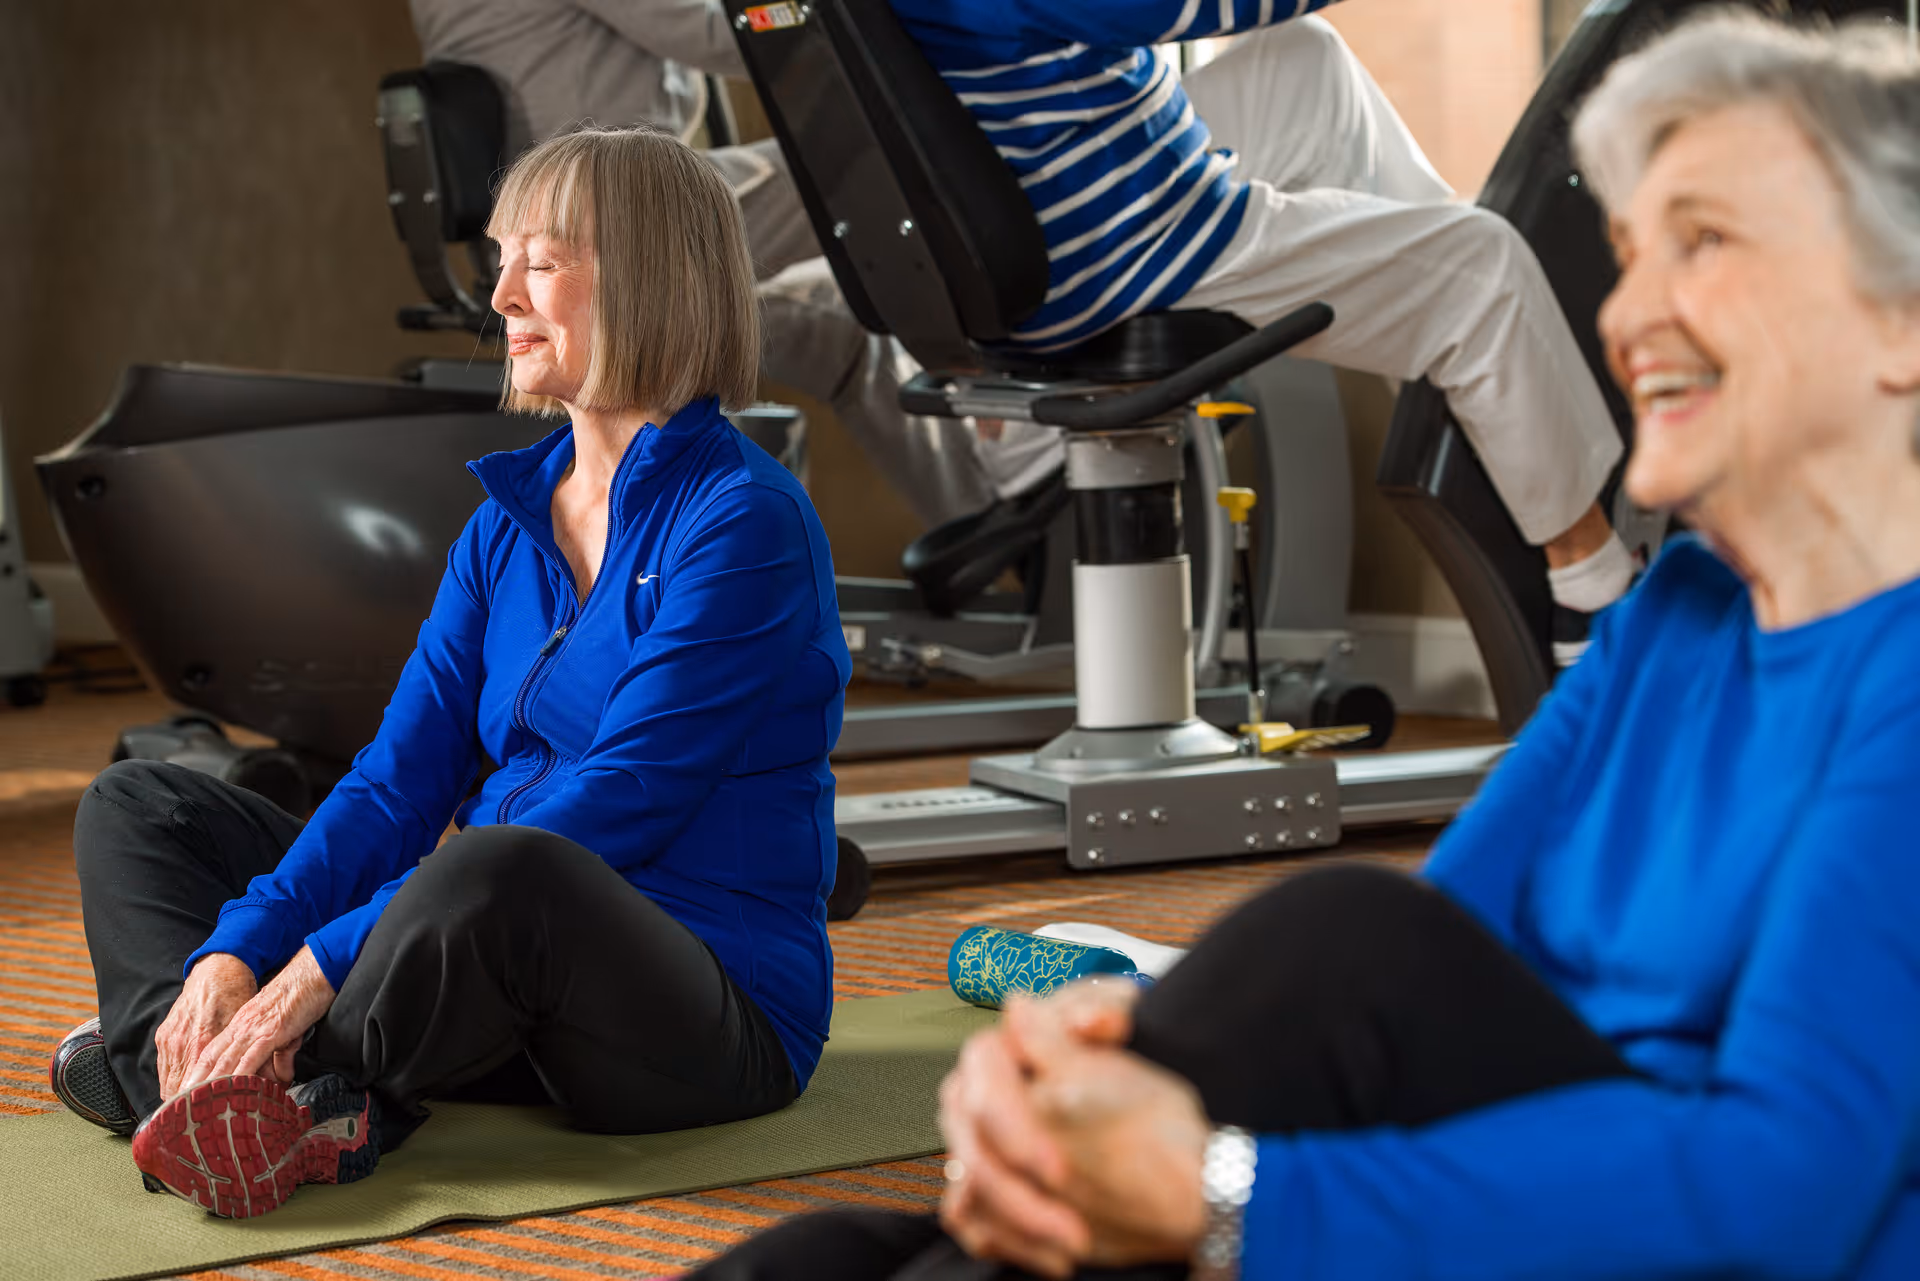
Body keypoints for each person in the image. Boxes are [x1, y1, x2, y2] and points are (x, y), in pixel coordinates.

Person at [688, 11, 1920, 1278]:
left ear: (1905, 322)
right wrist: (1146, 1057)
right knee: (819, 1258)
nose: (1625, 312)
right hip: (1497, 1177)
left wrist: (1225, 1192)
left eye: (1703, 243)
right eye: (1627, 252)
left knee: (1336, 938)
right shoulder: (1678, 616)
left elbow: (1778, 1189)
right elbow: (1442, 961)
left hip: (1661, 1231)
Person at [48, 126, 851, 1219]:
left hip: (701, 1016)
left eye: (545, 261)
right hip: (485, 978)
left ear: (652, 276)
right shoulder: (505, 528)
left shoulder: (744, 521)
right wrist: (235, 958)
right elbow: (396, 781)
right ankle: (202, 1080)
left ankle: (247, 1078)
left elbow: (622, 800)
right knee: (142, 807)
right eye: (504, 256)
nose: (504, 294)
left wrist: (317, 964)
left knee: (499, 868)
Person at [886, 1, 1644, 659]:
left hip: (1043, 201)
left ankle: (1465, 399)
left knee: (1306, 60)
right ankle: (1592, 590)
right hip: (1120, 239)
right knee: (1484, 266)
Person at [408, 0, 1000, 531]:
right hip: (611, 224)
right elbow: (736, 34)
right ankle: (1003, 439)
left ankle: (988, 526)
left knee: (847, 335)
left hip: (554, 228)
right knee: (888, 164)